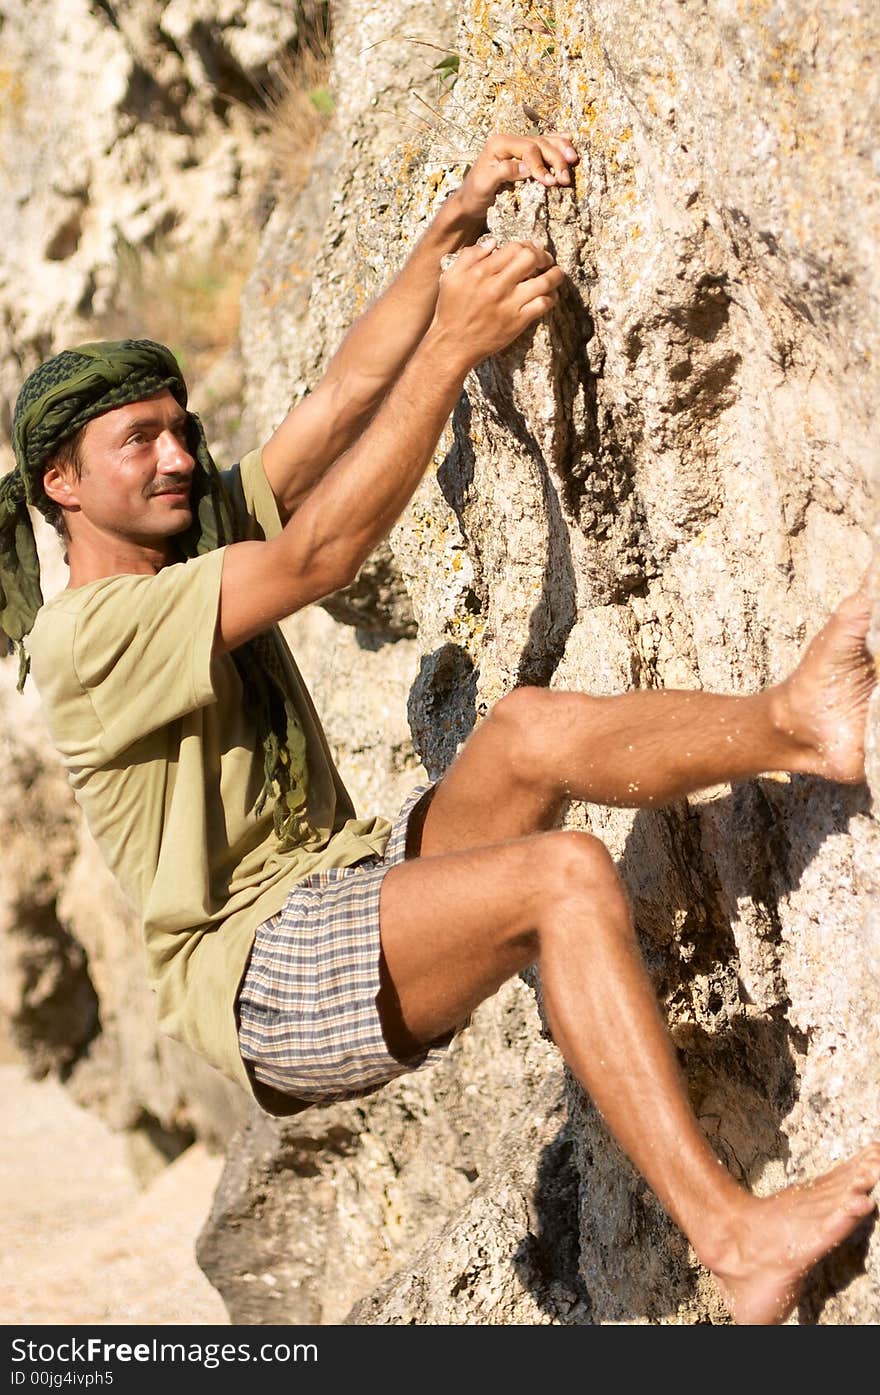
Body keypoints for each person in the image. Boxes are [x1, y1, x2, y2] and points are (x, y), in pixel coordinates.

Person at [1, 131, 878, 1327]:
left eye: (177, 427)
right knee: (561, 881)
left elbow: (343, 396)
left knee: (522, 732)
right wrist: (459, 345)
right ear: (62, 483)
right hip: (259, 975)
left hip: (341, 888)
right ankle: (732, 1238)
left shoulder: (187, 524)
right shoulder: (89, 634)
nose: (173, 456)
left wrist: (455, 219)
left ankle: (799, 722)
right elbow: (320, 556)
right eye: (136, 441)